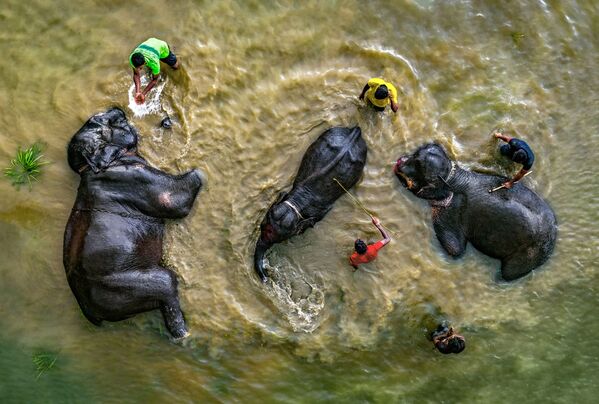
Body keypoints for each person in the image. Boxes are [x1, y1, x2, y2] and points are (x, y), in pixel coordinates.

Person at [129, 38, 179, 104]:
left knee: (175, 66)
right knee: (152, 70)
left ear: (144, 63)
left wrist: (143, 93)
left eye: (140, 68)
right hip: (151, 42)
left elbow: (154, 80)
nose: (138, 70)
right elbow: (136, 74)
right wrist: (138, 92)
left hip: (162, 47)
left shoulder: (154, 63)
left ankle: (172, 51)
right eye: (137, 67)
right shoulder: (132, 57)